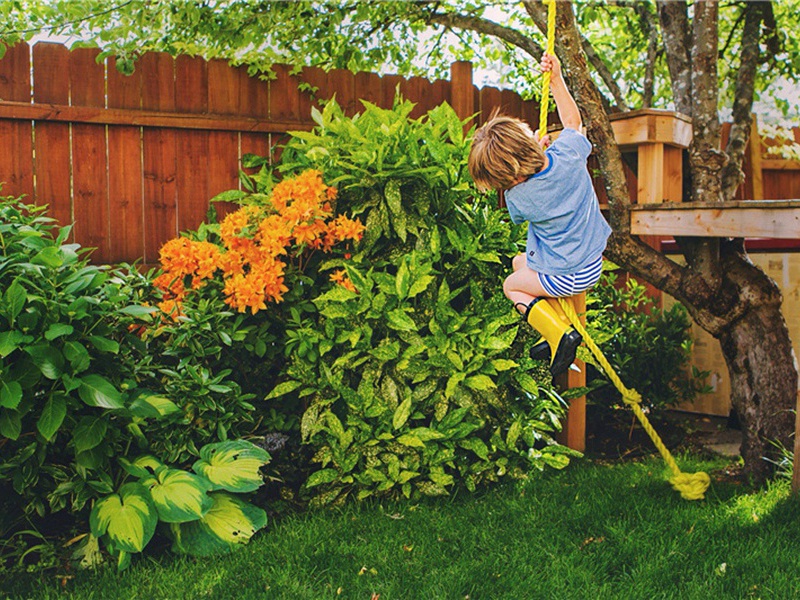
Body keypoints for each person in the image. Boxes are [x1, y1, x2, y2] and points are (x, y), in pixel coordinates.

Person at [468, 53, 612, 377]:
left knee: (512, 286)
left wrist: (531, 159)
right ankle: (555, 328)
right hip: (591, 260)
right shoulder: (569, 154)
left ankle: (560, 335)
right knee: (520, 263)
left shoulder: (521, 197)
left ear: (512, 178)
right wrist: (557, 79)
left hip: (568, 274)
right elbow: (573, 122)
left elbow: (530, 185)